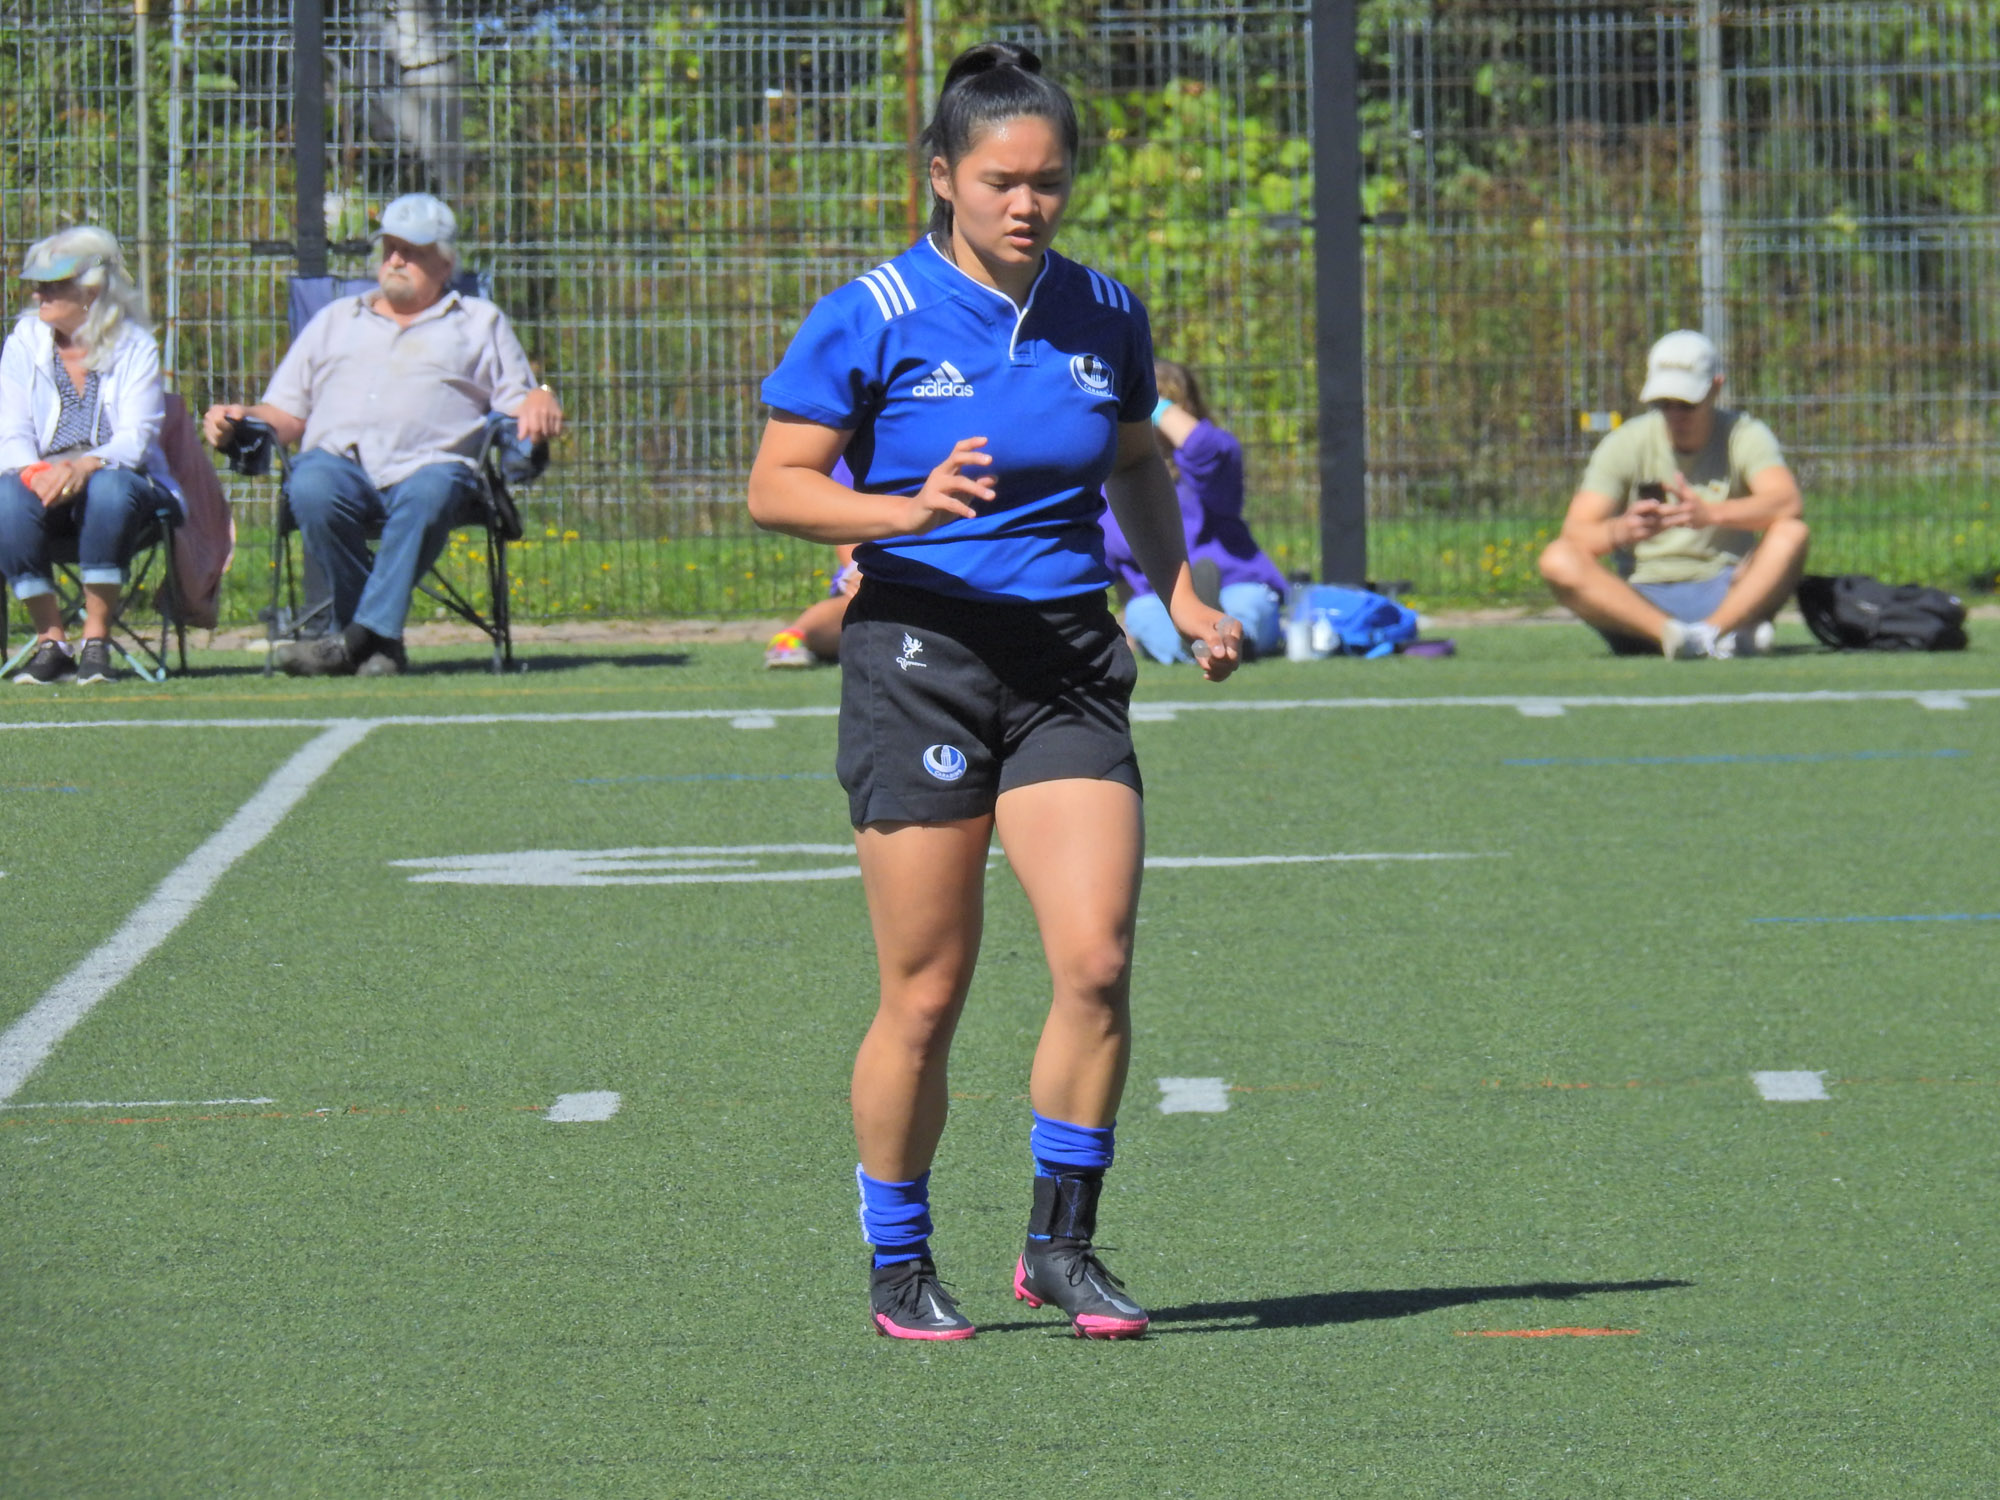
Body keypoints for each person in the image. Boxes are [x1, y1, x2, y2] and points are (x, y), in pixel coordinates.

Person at [746, 41, 1241, 1341]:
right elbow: (775, 487)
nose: (1027, 204)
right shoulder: (872, 312)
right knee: (926, 991)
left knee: (1097, 962)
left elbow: (1135, 461)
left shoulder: (1104, 310)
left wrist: (1180, 594)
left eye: (1049, 181)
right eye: (1000, 181)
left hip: (1066, 658)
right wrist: (898, 510)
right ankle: (899, 1261)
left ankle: (1061, 1248)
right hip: (920, 659)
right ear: (940, 175)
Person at [201, 192, 563, 677]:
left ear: (445, 263)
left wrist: (541, 393)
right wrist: (240, 417)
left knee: (431, 490)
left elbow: (521, 404)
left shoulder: (479, 322)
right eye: (390, 248)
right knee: (310, 486)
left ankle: (351, 640)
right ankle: (377, 642)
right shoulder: (334, 319)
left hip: (433, 469)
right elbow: (286, 413)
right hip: (340, 468)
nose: (395, 260)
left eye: (411, 251)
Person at [1538, 329, 1810, 658]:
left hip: (1727, 591)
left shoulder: (1744, 434)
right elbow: (1575, 533)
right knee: (1556, 558)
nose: (1675, 415)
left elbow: (1787, 502)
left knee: (1792, 533)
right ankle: (1685, 637)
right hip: (1640, 603)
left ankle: (1711, 633)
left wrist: (1710, 514)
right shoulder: (1625, 443)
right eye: (1663, 403)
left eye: (1686, 404)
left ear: (1715, 389)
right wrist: (1621, 531)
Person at [0, 227, 184, 686]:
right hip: (43, 483)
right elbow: (11, 431)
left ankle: (96, 641)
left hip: (119, 484)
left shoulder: (136, 346)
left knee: (110, 488)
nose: (38, 294)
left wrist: (84, 466)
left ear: (91, 291)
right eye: (37, 285)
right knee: (7, 495)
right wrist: (38, 472)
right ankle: (50, 641)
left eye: (53, 285)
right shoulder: (24, 341)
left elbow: (136, 439)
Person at [1102, 358, 1286, 662]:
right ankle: (1207, 645)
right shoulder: (1108, 485)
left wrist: (1146, 403)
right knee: (1142, 613)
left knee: (1247, 604)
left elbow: (1206, 447)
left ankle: (1232, 641)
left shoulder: (1208, 473)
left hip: (1233, 585)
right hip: (1163, 601)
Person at [764, 459, 860, 668]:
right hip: (872, 574)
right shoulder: (860, 454)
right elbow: (847, 519)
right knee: (860, 597)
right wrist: (856, 570)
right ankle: (793, 638)